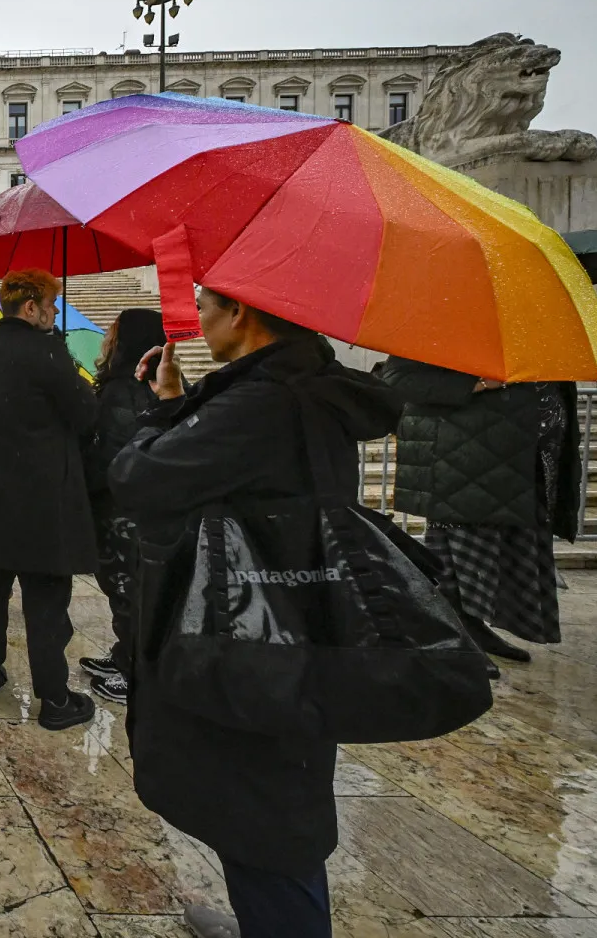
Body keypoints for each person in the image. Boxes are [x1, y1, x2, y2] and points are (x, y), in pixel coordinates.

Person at [109, 288, 401, 938]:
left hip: (255, 630)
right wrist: (180, 405)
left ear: (240, 314)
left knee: (266, 816)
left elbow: (136, 477)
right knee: (271, 798)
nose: (200, 319)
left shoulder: (262, 402)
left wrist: (159, 417)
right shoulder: (308, 391)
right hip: (294, 615)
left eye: (206, 306)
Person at [0, 268, 99, 731]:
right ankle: (54, 699)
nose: (54, 314)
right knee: (45, 601)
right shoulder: (49, 352)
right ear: (30, 308)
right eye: (51, 306)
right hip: (42, 504)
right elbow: (87, 415)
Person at [379, 357, 580, 663]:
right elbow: (396, 378)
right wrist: (479, 384)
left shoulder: (530, 332)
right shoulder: (439, 325)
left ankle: (472, 630)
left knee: (501, 554)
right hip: (462, 463)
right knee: (457, 560)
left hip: (517, 465)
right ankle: (452, 638)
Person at [78, 308, 166, 706]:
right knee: (128, 588)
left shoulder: (123, 390)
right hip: (138, 508)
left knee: (127, 589)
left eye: (112, 331)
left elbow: (113, 455)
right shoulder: (149, 386)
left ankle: (135, 674)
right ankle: (123, 655)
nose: (106, 337)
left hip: (120, 511)